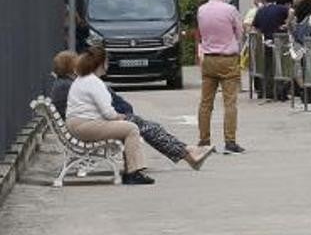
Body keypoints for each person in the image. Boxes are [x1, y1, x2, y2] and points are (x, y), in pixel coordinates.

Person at [51, 51, 212, 172]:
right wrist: (117, 115)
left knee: (146, 125)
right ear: (71, 67)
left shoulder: (66, 84)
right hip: (89, 126)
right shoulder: (73, 84)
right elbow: (100, 109)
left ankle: (188, 152)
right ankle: (187, 153)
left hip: (87, 124)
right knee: (141, 125)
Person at [65, 46, 153, 184]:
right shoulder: (94, 82)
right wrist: (121, 117)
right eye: (106, 61)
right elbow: (108, 113)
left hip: (78, 124)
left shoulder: (82, 79)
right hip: (86, 126)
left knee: (127, 127)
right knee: (131, 128)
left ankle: (132, 170)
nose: (108, 64)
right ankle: (133, 173)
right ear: (101, 63)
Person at [197, 0, 245, 154]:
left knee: (205, 102)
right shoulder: (230, 10)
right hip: (227, 59)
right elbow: (239, 33)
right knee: (230, 102)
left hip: (208, 58)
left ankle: (204, 140)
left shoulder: (201, 10)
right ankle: (230, 141)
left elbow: (201, 34)